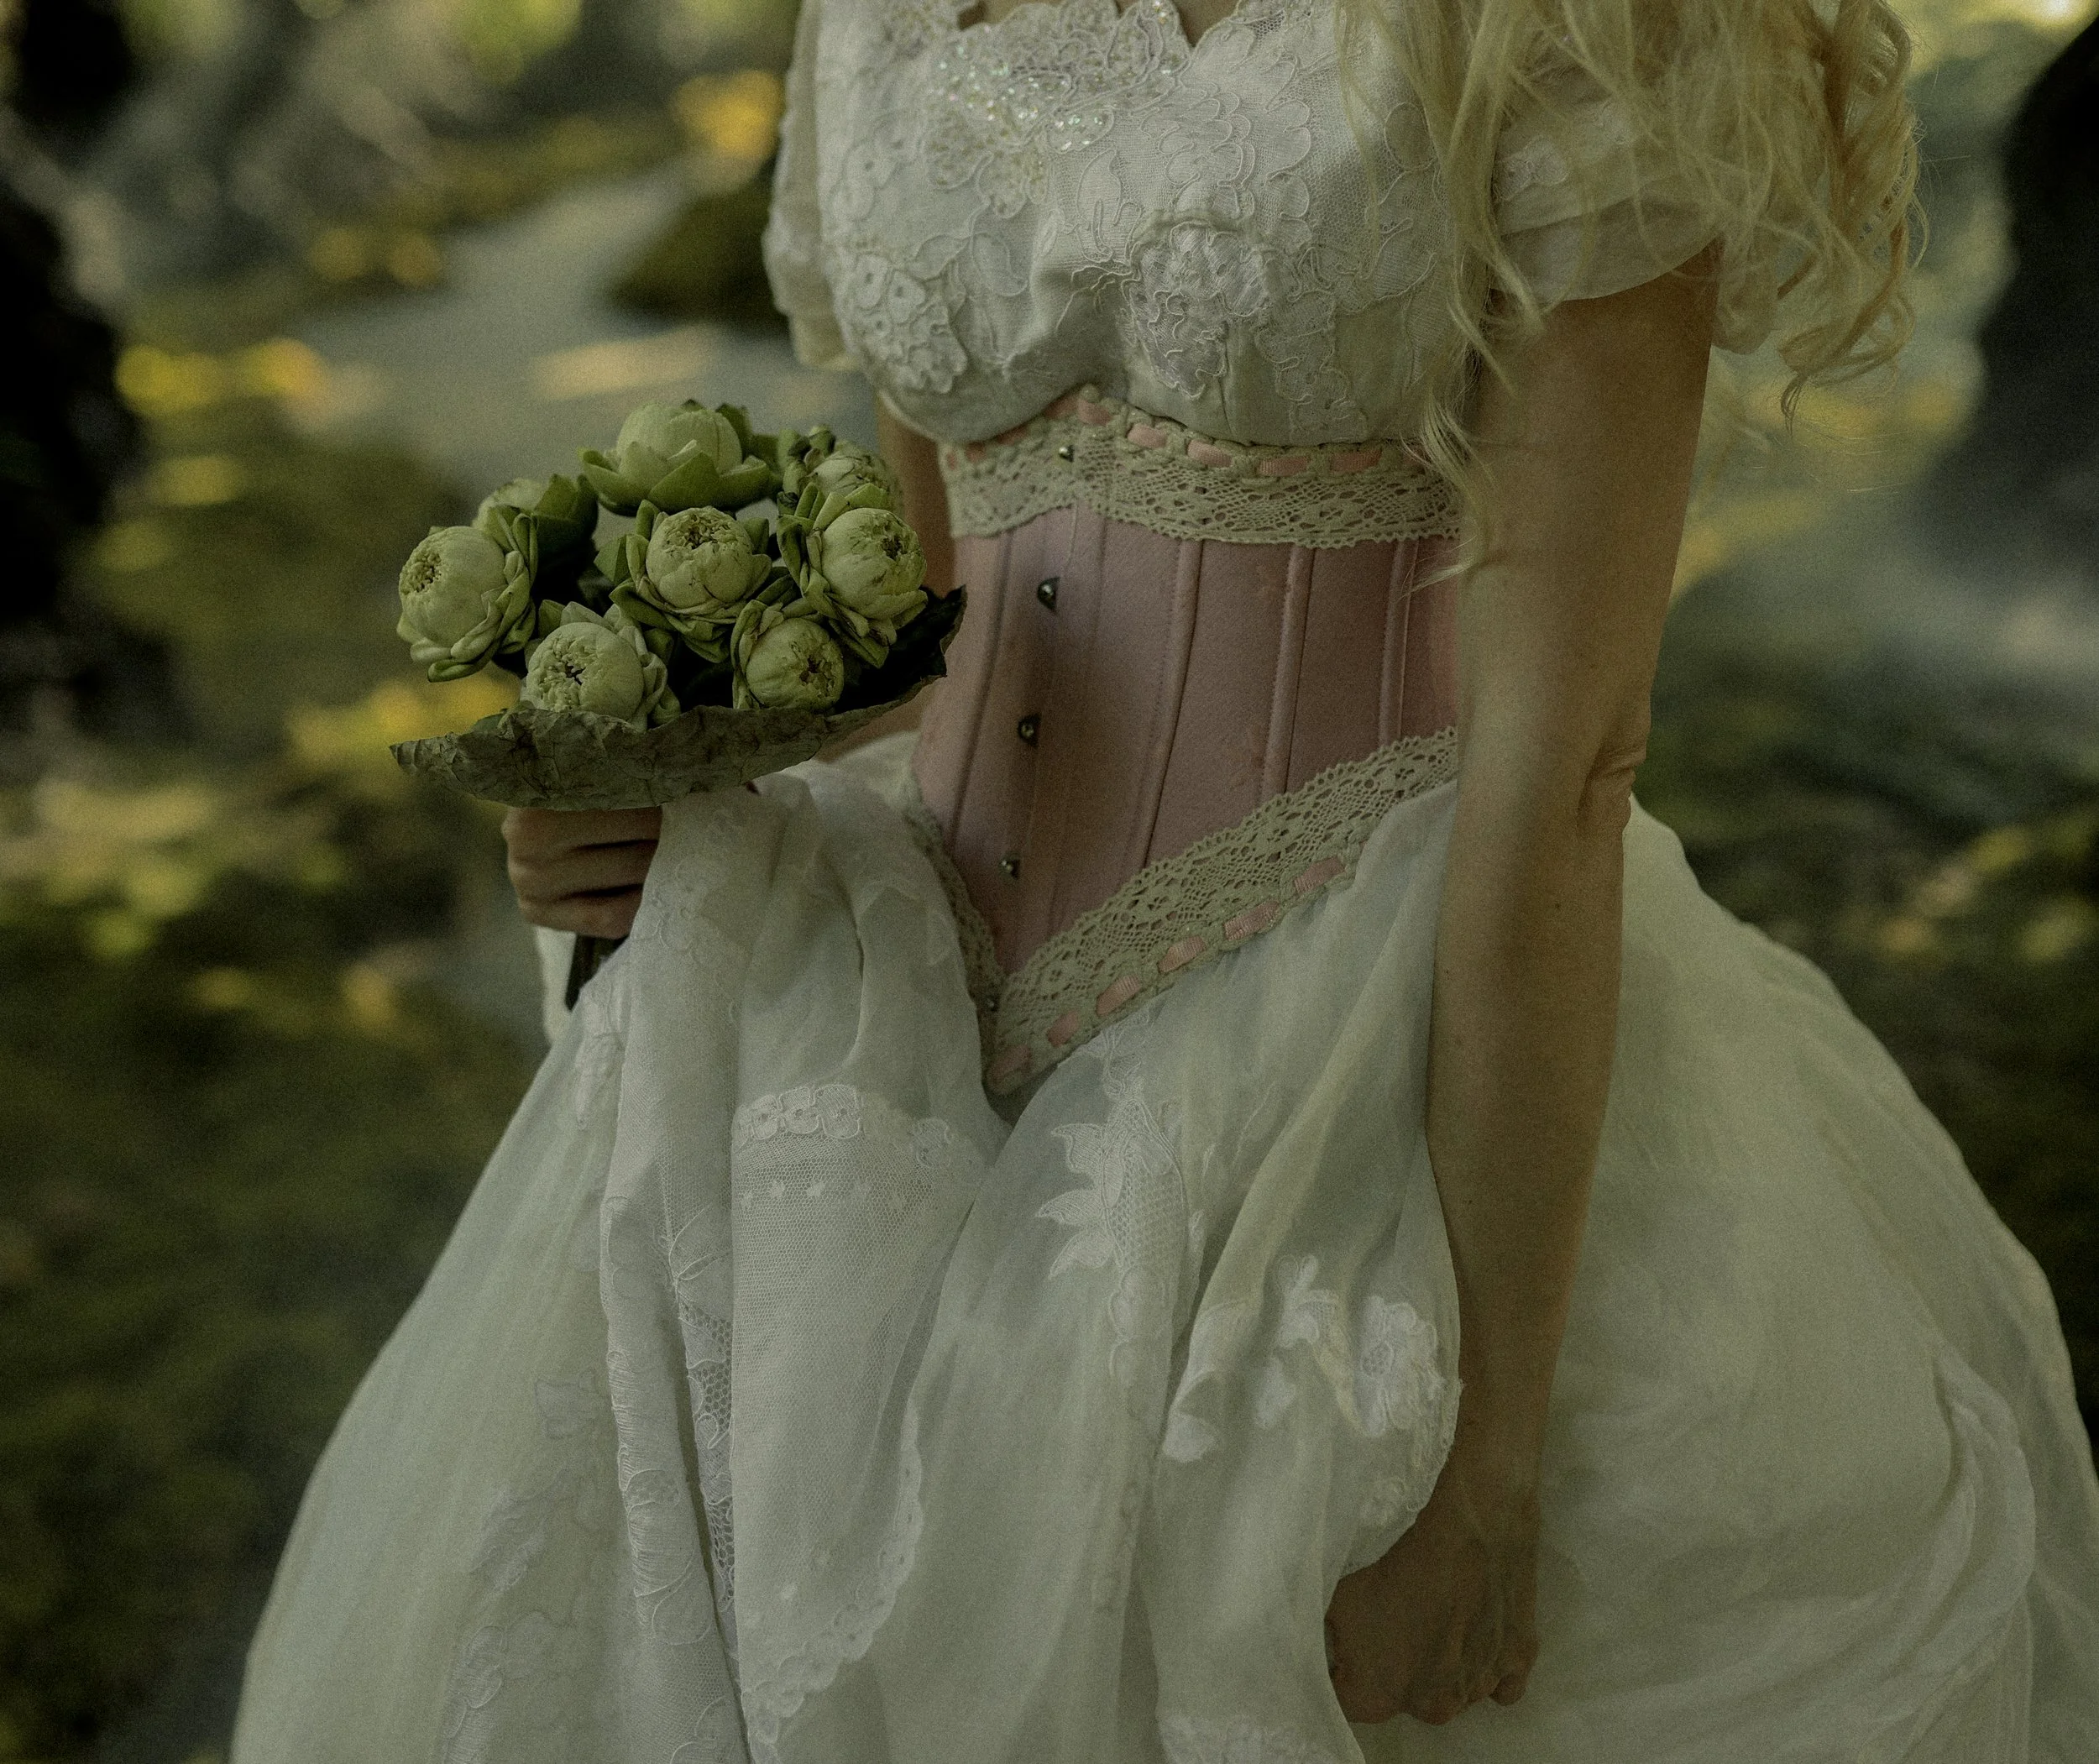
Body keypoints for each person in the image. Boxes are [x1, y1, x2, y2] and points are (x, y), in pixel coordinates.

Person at [233, 1, 2099, 1759]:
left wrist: (1484, 1465)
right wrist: (663, 804)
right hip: (876, 1039)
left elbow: (1562, 780)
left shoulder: (1558, 25)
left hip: (1362, 1057)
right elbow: (924, 622)